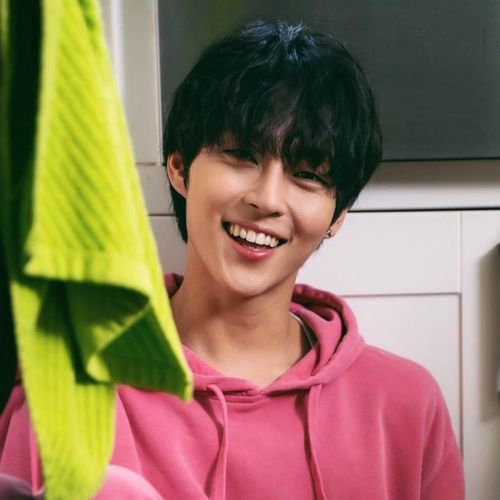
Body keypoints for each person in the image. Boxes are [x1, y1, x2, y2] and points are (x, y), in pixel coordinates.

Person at [0, 19, 465, 500]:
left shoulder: (407, 404)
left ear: (337, 215)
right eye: (241, 154)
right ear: (179, 168)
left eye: (307, 174)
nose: (267, 199)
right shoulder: (65, 391)